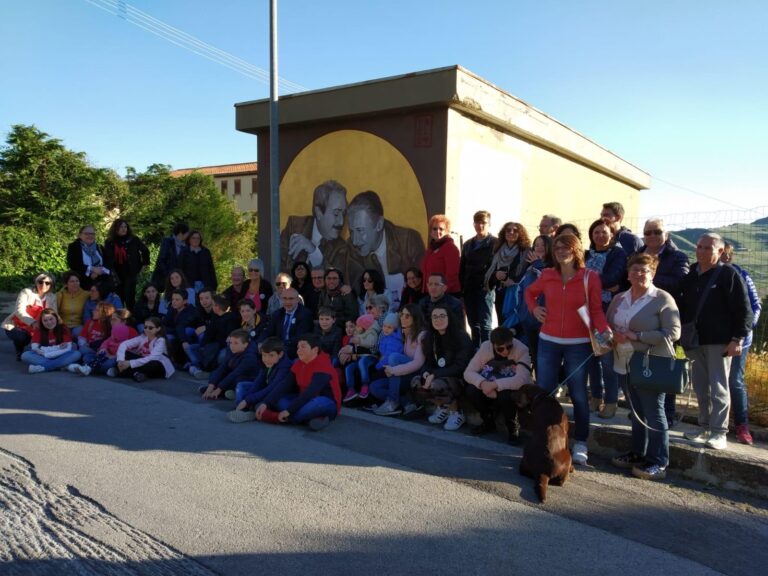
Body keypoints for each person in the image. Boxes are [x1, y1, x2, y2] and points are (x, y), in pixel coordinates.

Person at [525, 233, 610, 466]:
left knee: (579, 394)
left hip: (578, 344)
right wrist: (534, 309)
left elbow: (596, 310)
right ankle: (543, 436)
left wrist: (605, 330)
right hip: (548, 341)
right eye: (558, 248)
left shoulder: (590, 277)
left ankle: (581, 442)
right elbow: (529, 293)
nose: (561, 251)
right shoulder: (548, 275)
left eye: (567, 248)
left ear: (577, 251)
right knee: (545, 392)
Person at [608, 253, 681, 481]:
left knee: (654, 412)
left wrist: (636, 335)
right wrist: (611, 336)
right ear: (628, 274)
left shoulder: (662, 298)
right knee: (636, 411)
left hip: (650, 364)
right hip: (623, 360)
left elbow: (673, 333)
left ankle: (659, 461)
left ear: (653, 273)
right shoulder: (619, 298)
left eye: (645, 270)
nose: (639, 273)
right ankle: (638, 453)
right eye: (635, 269)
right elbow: (608, 323)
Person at [679, 233, 752, 451]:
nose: (701, 251)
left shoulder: (728, 274)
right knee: (701, 387)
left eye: (707, 248)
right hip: (695, 341)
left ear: (720, 251)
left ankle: (719, 432)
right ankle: (704, 428)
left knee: (719, 387)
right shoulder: (692, 273)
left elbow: (744, 309)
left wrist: (737, 338)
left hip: (720, 342)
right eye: (699, 247)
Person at [635, 217, 690, 426]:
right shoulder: (637, 256)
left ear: (666, 235)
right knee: (641, 367)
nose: (651, 236)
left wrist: (648, 278)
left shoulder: (678, 257)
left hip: (664, 322)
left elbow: (680, 282)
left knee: (665, 368)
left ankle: (666, 414)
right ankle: (643, 411)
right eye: (647, 232)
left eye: (656, 232)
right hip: (640, 320)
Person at [344, 190, 425, 308]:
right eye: (351, 231)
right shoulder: (352, 247)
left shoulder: (408, 240)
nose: (355, 240)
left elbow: (420, 285)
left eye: (360, 230)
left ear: (379, 224)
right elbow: (358, 289)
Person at [254, 333, 342, 431]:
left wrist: (288, 411)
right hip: (303, 399)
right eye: (298, 347)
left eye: (303, 347)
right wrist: (266, 403)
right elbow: (284, 385)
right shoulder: (298, 363)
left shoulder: (324, 366)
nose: (299, 350)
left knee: (316, 404)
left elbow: (310, 392)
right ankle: (313, 418)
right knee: (280, 400)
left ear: (315, 350)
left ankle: (275, 417)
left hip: (325, 402)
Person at [584, 219, 627, 418]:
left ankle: (611, 401)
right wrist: (598, 284)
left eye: (604, 232)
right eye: (596, 232)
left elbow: (613, 278)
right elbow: (576, 277)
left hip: (605, 312)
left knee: (607, 360)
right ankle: (595, 397)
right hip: (585, 312)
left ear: (612, 234)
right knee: (591, 358)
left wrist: (587, 284)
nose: (600, 235)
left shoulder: (618, 254)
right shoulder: (585, 254)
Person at [720, 243, 762, 445]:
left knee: (735, 381)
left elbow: (755, 306)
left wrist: (742, 332)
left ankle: (742, 426)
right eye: (722, 254)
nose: (724, 258)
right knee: (714, 383)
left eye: (728, 254)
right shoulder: (705, 274)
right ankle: (715, 424)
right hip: (714, 340)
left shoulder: (743, 275)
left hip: (739, 340)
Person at [463, 326, 533, 444]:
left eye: (509, 347)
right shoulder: (486, 347)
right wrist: (483, 383)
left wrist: (494, 385)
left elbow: (521, 379)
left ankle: (512, 428)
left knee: (505, 395)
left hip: (511, 388)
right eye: (500, 349)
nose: (505, 351)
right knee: (471, 390)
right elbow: (468, 372)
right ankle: (488, 421)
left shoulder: (522, 349)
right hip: (489, 385)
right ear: (493, 344)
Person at [411, 306, 474, 431]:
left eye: (442, 316)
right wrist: (425, 373)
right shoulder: (431, 337)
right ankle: (443, 407)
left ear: (449, 318)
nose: (438, 320)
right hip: (439, 375)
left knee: (436, 384)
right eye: (434, 317)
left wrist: (434, 374)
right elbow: (427, 362)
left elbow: (460, 366)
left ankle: (456, 413)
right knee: (416, 382)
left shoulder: (461, 337)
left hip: (459, 378)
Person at [280, 180, 349, 274]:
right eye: (336, 214)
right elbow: (278, 267)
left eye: (344, 214)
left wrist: (313, 252)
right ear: (318, 212)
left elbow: (334, 279)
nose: (341, 222)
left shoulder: (341, 248)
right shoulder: (294, 226)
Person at [370, 304, 427, 417]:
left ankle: (392, 402)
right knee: (374, 387)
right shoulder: (405, 333)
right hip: (402, 374)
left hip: (415, 375)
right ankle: (407, 403)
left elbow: (417, 363)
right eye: (402, 315)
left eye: (407, 316)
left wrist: (393, 370)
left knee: (394, 357)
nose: (403, 318)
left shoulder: (422, 335)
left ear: (415, 317)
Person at [228, 337, 294, 423]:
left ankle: (251, 411)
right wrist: (247, 400)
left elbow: (272, 388)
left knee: (276, 403)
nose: (266, 359)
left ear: (280, 354)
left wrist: (248, 400)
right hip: (266, 389)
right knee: (242, 385)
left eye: (271, 355)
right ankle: (243, 407)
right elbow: (258, 382)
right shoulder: (266, 362)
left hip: (277, 394)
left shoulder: (285, 367)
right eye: (264, 355)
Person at [515, 235, 553, 370]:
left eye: (543, 245)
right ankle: (539, 385)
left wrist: (537, 264)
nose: (539, 248)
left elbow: (547, 282)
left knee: (546, 357)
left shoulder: (552, 267)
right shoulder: (529, 268)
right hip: (528, 319)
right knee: (535, 355)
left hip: (544, 319)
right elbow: (521, 290)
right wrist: (520, 312)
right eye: (536, 245)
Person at [484, 222, 532, 326]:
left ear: (520, 234)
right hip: (501, 293)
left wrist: (511, 280)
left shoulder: (526, 251)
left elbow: (528, 272)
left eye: (515, 230)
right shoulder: (497, 250)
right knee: (502, 323)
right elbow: (489, 271)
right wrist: (496, 274)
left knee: (515, 324)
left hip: (517, 293)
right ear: (504, 233)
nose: (511, 232)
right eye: (508, 230)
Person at [460, 210, 496, 347]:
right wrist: (462, 290)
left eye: (483, 223)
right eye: (477, 222)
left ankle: (487, 355)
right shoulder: (468, 244)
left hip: (485, 290)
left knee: (485, 325)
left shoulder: (495, 243)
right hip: (469, 290)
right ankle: (476, 352)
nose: (480, 226)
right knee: (473, 324)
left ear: (489, 224)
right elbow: (462, 268)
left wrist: (490, 284)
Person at [3, 273, 58, 361]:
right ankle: (19, 348)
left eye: (47, 283)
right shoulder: (26, 292)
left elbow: (54, 313)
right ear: (36, 283)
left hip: (39, 325)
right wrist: (32, 322)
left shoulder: (52, 297)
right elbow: (19, 311)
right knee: (22, 337)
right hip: (18, 324)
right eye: (40, 282)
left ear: (51, 285)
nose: (43, 285)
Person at [103, 218, 150, 310]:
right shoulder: (110, 242)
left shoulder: (134, 239)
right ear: (116, 228)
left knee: (130, 298)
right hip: (116, 274)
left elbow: (145, 251)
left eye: (125, 227)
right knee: (118, 298)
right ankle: (119, 319)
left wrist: (144, 265)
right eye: (121, 227)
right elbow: (107, 258)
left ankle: (130, 318)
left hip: (130, 272)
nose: (123, 229)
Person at [201, 329, 262, 400]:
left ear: (245, 344)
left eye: (236, 343)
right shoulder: (231, 349)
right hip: (235, 373)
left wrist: (218, 390)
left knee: (237, 380)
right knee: (215, 373)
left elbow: (235, 373)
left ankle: (229, 392)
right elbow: (222, 367)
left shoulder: (250, 357)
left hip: (248, 378)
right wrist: (210, 387)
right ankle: (222, 390)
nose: (232, 346)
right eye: (231, 342)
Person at [113, 317, 175, 382]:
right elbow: (124, 344)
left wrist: (129, 363)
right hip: (144, 362)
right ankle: (136, 374)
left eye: (150, 328)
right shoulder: (143, 337)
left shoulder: (161, 340)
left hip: (158, 366)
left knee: (151, 364)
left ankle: (122, 371)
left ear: (158, 329)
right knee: (125, 354)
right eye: (145, 327)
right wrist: (121, 361)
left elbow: (152, 358)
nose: (147, 330)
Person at [259, 287, 314, 359]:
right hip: (277, 349)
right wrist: (260, 342)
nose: (288, 302)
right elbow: (268, 331)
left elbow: (300, 337)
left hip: (295, 350)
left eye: (291, 299)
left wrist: (278, 346)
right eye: (285, 298)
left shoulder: (305, 314)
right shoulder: (277, 314)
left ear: (297, 300)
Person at [21, 308, 81, 374]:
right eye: (45, 320)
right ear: (42, 322)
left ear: (56, 318)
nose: (49, 322)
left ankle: (43, 367)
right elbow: (35, 348)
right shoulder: (39, 330)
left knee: (76, 353)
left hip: (60, 355)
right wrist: (56, 348)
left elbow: (67, 348)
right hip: (45, 357)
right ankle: (63, 365)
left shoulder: (63, 328)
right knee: (25, 355)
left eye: (51, 319)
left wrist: (47, 353)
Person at [340, 313, 380, 402]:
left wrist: (359, 341)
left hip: (370, 358)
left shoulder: (372, 333)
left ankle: (365, 385)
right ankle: (350, 389)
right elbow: (349, 348)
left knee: (362, 362)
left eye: (358, 326)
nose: (356, 328)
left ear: (364, 327)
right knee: (349, 368)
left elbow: (371, 343)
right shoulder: (358, 334)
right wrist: (343, 353)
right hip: (360, 358)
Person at [420, 214, 461, 297]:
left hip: (445, 295)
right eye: (434, 229)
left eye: (441, 229)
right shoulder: (431, 249)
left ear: (447, 231)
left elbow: (452, 275)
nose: (437, 231)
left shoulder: (450, 248)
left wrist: (441, 292)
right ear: (431, 232)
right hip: (430, 293)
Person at [162, 289, 203, 367]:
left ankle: (193, 362)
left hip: (192, 337)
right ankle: (171, 361)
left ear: (185, 301)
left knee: (186, 331)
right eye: (173, 299)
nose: (173, 301)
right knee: (168, 337)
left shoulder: (191, 311)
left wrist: (183, 341)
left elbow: (181, 326)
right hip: (179, 334)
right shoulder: (172, 308)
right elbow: (164, 324)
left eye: (177, 300)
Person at [67, 225, 111, 290]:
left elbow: (108, 263)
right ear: (80, 235)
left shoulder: (99, 247)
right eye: (87, 234)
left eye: (92, 234)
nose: (90, 236)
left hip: (102, 285)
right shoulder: (74, 247)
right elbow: (74, 264)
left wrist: (98, 272)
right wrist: (91, 269)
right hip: (83, 285)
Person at [152, 222, 189, 288]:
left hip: (178, 281)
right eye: (187, 233)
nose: (188, 235)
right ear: (181, 233)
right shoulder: (167, 242)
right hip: (166, 279)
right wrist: (169, 275)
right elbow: (161, 261)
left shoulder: (186, 245)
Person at [56, 271, 88, 337]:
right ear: (66, 284)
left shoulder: (86, 294)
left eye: (77, 281)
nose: (75, 283)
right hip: (63, 326)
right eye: (72, 281)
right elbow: (54, 311)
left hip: (78, 326)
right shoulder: (59, 295)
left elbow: (98, 295)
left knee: (79, 333)